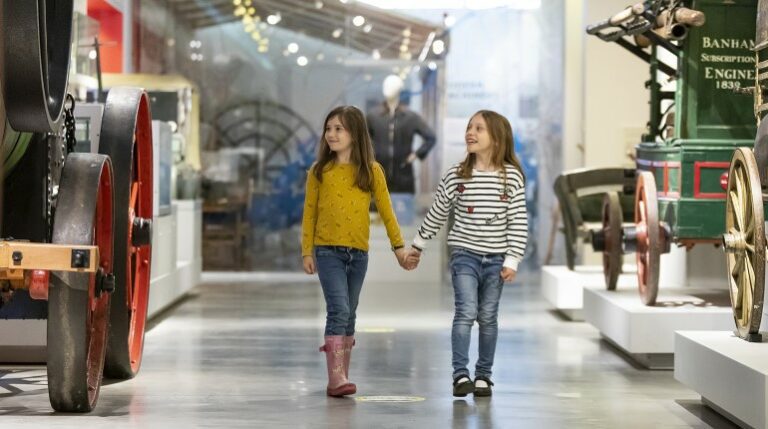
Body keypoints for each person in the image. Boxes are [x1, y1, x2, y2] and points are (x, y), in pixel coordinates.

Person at [408, 110, 528, 397]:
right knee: (465, 312)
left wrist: (512, 259)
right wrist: (418, 245)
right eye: (469, 127)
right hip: (464, 254)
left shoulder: (510, 177)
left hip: (496, 259)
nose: (470, 133)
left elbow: (518, 221)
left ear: (497, 139)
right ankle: (460, 374)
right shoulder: (456, 174)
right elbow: (437, 213)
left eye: (479, 129)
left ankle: (484, 375)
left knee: (487, 316)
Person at [301, 105, 414, 397]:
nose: (332, 134)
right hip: (328, 253)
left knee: (350, 313)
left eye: (339, 129)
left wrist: (399, 248)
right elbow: (309, 213)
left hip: (358, 254)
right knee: (338, 309)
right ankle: (335, 378)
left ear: (356, 134)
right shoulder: (319, 171)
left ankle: (342, 373)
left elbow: (387, 212)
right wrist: (307, 251)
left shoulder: (371, 171)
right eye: (328, 129)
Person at [367, 74, 437, 194]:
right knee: (376, 210)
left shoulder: (410, 117)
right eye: (387, 85)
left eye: (393, 86)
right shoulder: (373, 116)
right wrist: (370, 157)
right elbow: (361, 140)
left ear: (399, 89)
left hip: (403, 177)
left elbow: (431, 137)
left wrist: (416, 154)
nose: (388, 88)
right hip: (377, 176)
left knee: (403, 210)